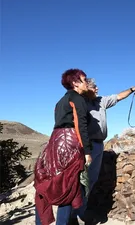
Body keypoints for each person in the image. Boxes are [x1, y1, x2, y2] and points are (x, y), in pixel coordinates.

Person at [71, 78, 135, 225]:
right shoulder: (81, 103)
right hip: (86, 146)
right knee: (82, 180)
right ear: (86, 88)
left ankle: (81, 212)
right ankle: (74, 215)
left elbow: (118, 96)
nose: (97, 89)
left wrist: (132, 89)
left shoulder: (101, 101)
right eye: (94, 86)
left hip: (99, 145)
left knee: (91, 180)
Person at [34, 68, 92, 225]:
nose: (87, 82)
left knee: (47, 183)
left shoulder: (60, 102)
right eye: (84, 79)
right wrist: (87, 151)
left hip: (54, 142)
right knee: (68, 186)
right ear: (75, 83)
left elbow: (57, 124)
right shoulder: (77, 99)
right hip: (69, 143)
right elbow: (81, 126)